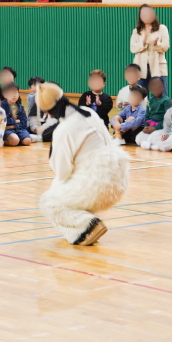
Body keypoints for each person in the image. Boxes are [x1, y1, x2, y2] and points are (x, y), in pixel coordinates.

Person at [36, 82, 130, 246]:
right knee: (63, 188)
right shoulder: (88, 112)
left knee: (48, 202)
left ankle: (87, 225)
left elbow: (62, 171)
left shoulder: (63, 129)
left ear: (47, 111)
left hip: (98, 185)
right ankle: (80, 232)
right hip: (119, 179)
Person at [130, 4, 170, 94]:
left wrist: (157, 44)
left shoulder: (162, 28)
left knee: (162, 97)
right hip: (140, 69)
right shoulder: (136, 31)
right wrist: (142, 42)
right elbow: (133, 48)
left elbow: (165, 47)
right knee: (141, 97)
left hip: (158, 67)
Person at [140, 76, 171, 141]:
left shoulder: (166, 101)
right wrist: (146, 126)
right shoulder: (150, 100)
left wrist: (155, 128)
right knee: (138, 139)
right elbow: (147, 115)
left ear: (162, 87)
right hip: (150, 126)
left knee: (152, 138)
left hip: (161, 127)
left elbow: (168, 119)